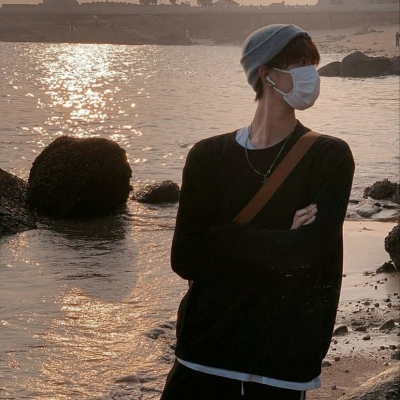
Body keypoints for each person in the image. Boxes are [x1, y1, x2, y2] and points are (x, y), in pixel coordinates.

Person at [161, 24, 354, 400]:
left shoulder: (329, 156)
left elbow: (309, 255)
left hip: (282, 358)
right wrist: (282, 237)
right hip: (204, 350)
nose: (311, 74)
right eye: (299, 64)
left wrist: (223, 236)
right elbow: (185, 259)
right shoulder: (207, 156)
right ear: (266, 74)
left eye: (312, 64)